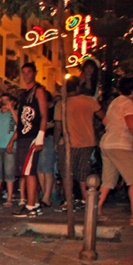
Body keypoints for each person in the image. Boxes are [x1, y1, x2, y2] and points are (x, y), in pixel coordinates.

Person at [97, 76, 133, 226]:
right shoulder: (128, 104)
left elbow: (106, 121)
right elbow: (131, 125)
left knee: (108, 180)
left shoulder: (116, 102)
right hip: (121, 145)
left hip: (108, 144)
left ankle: (96, 209)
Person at [54, 77, 100, 210]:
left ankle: (69, 200)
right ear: (78, 87)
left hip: (69, 142)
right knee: (83, 172)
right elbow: (102, 116)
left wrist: (56, 143)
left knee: (67, 173)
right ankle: (85, 199)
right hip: (87, 141)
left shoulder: (62, 104)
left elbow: (58, 126)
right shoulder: (89, 101)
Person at [13, 62, 48, 218]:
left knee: (30, 171)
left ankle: (31, 206)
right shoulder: (23, 94)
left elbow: (44, 114)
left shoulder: (38, 91)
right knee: (25, 172)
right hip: (23, 136)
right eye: (24, 72)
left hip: (33, 136)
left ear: (34, 73)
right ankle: (32, 203)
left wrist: (40, 135)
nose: (26, 75)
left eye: (29, 72)